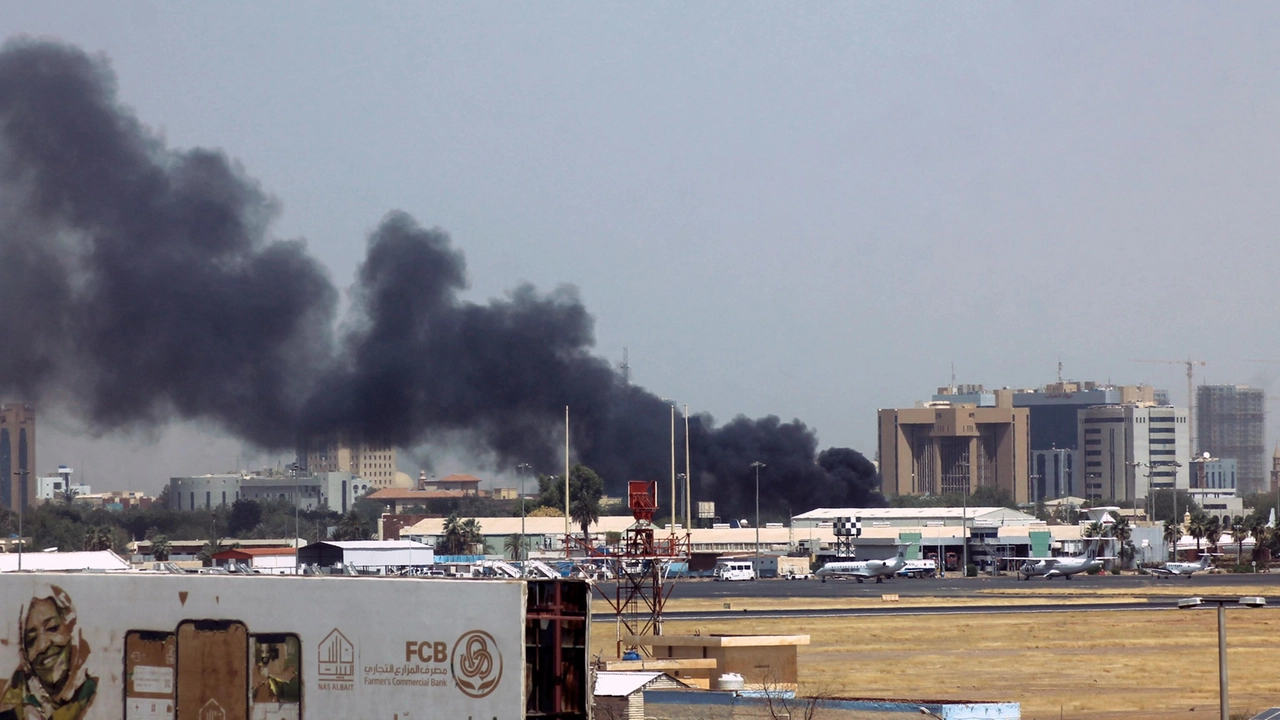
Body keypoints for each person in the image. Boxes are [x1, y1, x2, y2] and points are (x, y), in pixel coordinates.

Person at [0, 586, 97, 720]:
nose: (42, 646)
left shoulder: (98, 694)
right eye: (31, 640)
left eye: (52, 628)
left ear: (70, 627)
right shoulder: (12, 707)